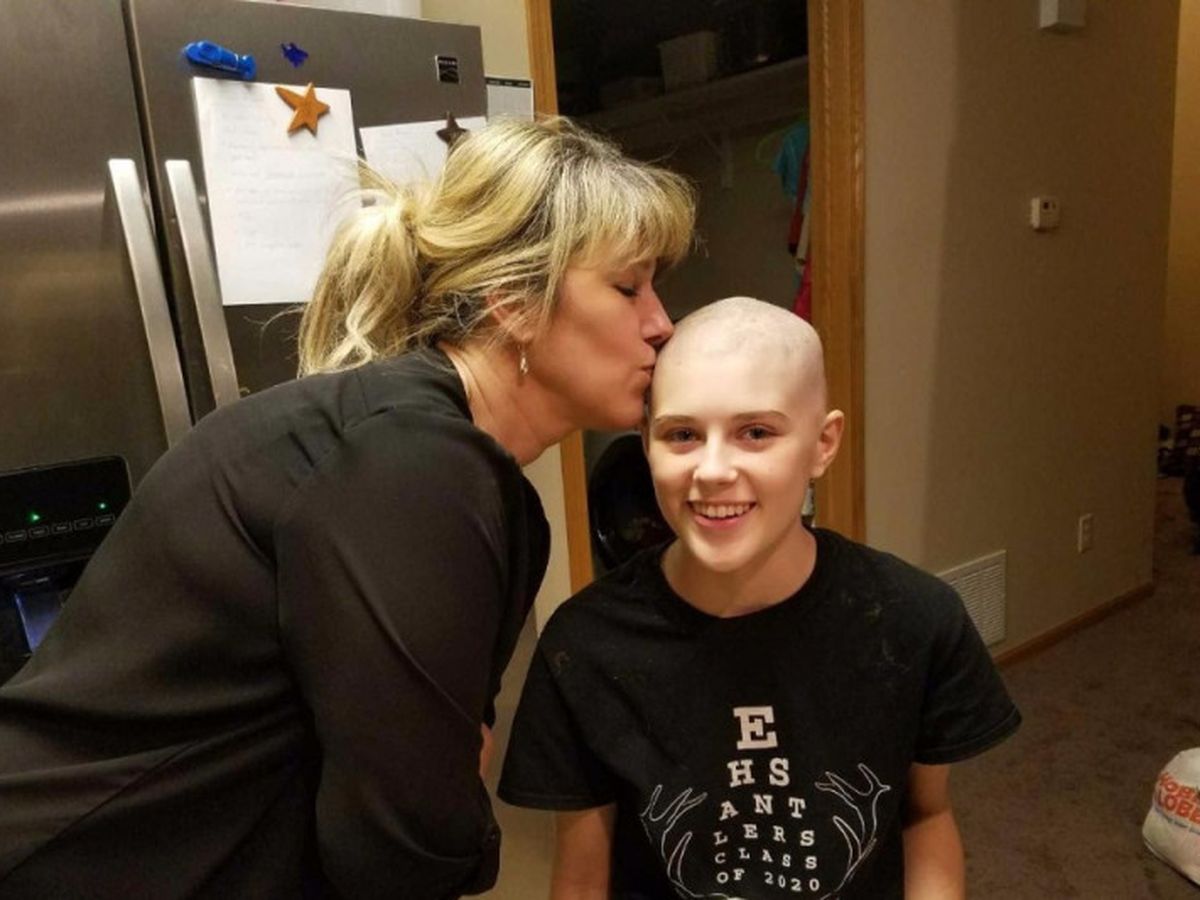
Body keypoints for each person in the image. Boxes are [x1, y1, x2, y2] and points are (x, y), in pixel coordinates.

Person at [0, 117, 695, 899]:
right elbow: (403, 839)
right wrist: (450, 814)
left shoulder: (455, 469)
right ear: (514, 304)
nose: (661, 325)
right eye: (628, 287)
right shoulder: (414, 464)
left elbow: (421, 779)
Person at [499, 297, 1021, 899]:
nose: (713, 470)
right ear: (645, 443)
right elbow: (582, 875)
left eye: (755, 433)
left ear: (823, 444)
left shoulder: (917, 621)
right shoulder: (585, 645)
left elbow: (926, 814)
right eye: (682, 434)